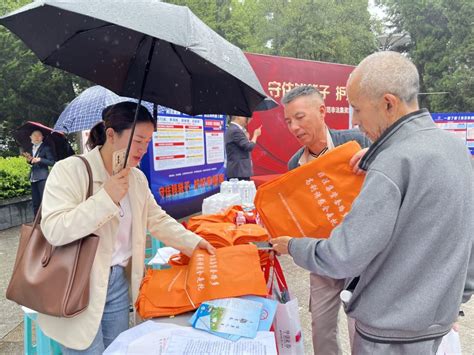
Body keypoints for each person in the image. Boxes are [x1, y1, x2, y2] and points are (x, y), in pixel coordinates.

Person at [271, 51, 474, 354]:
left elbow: (344, 256)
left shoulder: (391, 160)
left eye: (357, 108)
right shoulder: (457, 149)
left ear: (389, 104)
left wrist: (292, 246)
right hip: (433, 325)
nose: (354, 119)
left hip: (388, 333)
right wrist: (453, 299)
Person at [38, 102, 215, 354]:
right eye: (138, 140)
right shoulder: (70, 170)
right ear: (111, 134)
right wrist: (106, 197)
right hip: (77, 281)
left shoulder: (136, 178)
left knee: (118, 349)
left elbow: (157, 220)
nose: (144, 149)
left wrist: (194, 243)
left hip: (119, 281)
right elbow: (55, 229)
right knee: (86, 349)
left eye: (148, 141)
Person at [282, 85, 370, 355]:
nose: (294, 127)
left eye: (299, 117)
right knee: (321, 328)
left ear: (322, 111)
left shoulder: (359, 143)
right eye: (288, 121)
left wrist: (376, 156)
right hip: (322, 255)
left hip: (361, 255)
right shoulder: (294, 164)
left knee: (362, 329)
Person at [22, 130, 55, 215]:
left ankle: (46, 220)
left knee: (44, 201)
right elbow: (32, 162)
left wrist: (40, 159)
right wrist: (29, 160)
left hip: (42, 177)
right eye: (34, 135)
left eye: (39, 135)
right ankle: (36, 222)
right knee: (35, 202)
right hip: (33, 178)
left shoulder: (46, 148)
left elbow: (52, 162)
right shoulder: (31, 148)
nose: (36, 137)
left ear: (42, 138)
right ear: (31, 137)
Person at [224, 115, 262, 180]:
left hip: (238, 171)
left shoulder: (234, 129)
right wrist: (255, 135)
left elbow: (241, 145)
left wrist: (246, 139)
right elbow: (249, 146)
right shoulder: (235, 130)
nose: (247, 119)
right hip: (239, 171)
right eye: (245, 117)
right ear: (238, 116)